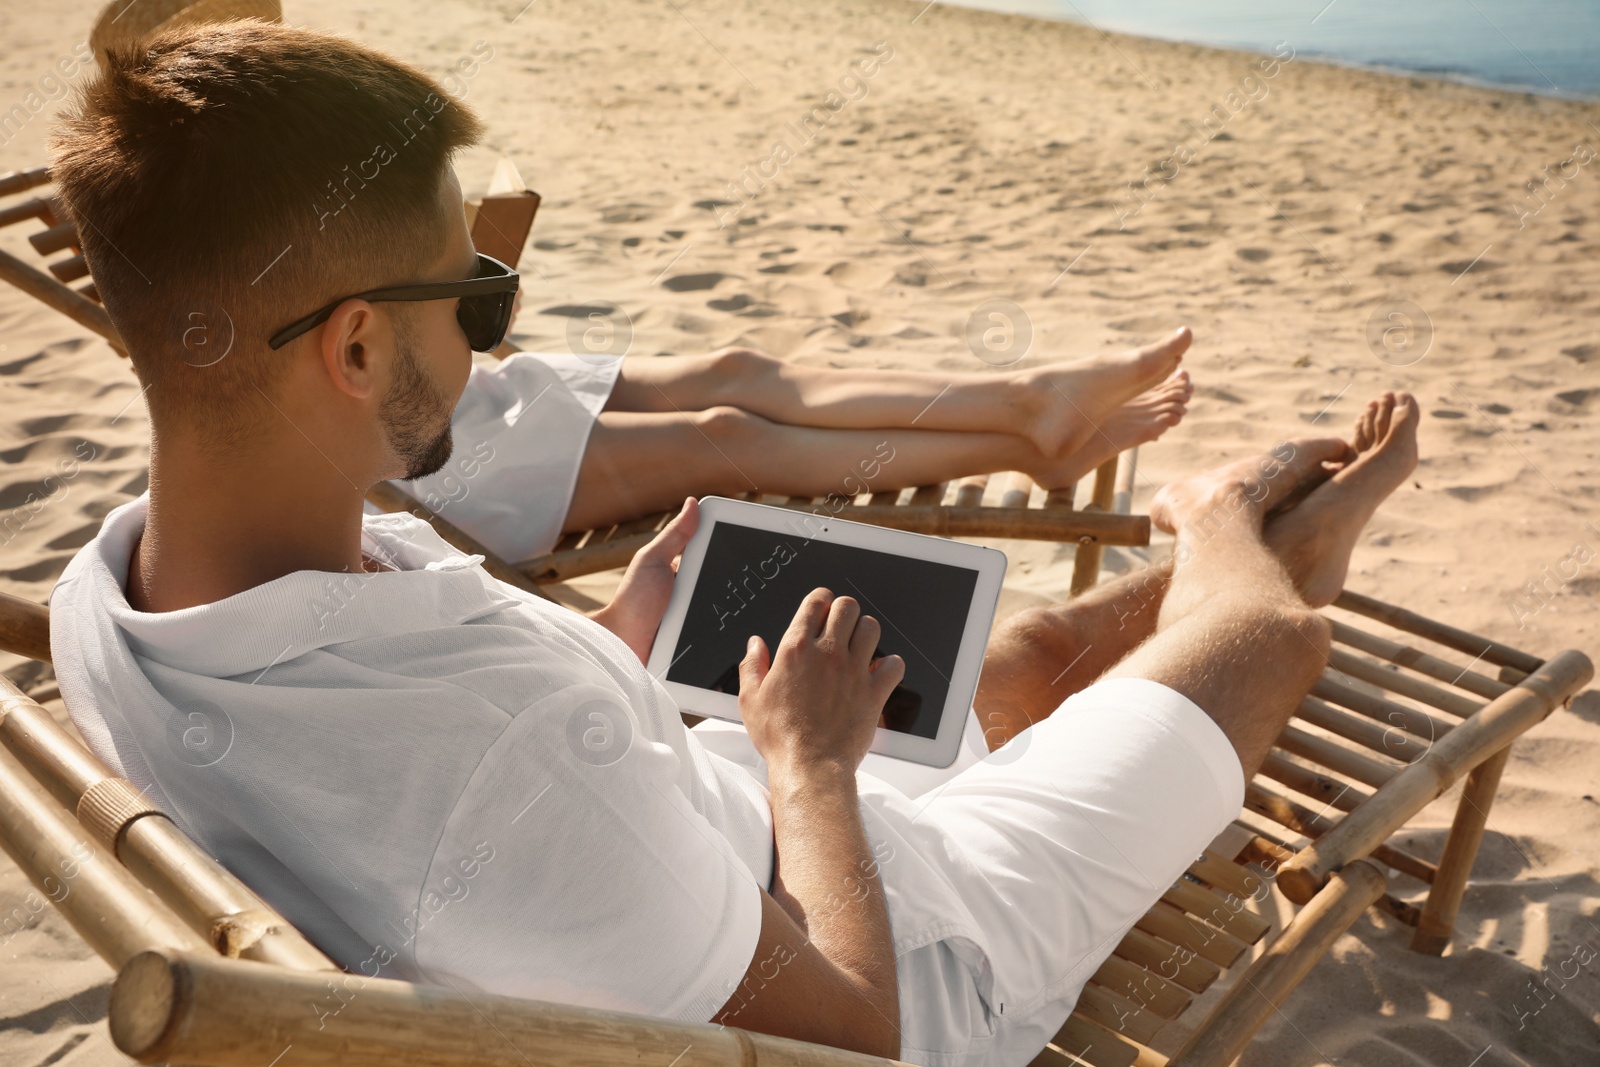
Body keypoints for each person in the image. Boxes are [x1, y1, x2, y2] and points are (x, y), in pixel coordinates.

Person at [45, 24, 1420, 1067]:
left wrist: (627, 636)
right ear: (353, 344)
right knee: (1274, 641)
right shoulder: (512, 769)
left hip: (700, 830)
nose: (491, 335)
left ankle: (1275, 532)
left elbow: (463, 748)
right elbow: (854, 1035)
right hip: (928, 957)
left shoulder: (108, 602)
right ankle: (1228, 524)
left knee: (1033, 652)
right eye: (476, 292)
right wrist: (808, 761)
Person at [412, 330, 1193, 564]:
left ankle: (1026, 404)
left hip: (457, 390)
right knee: (725, 439)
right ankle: (1028, 444)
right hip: (426, 472)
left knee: (736, 369)